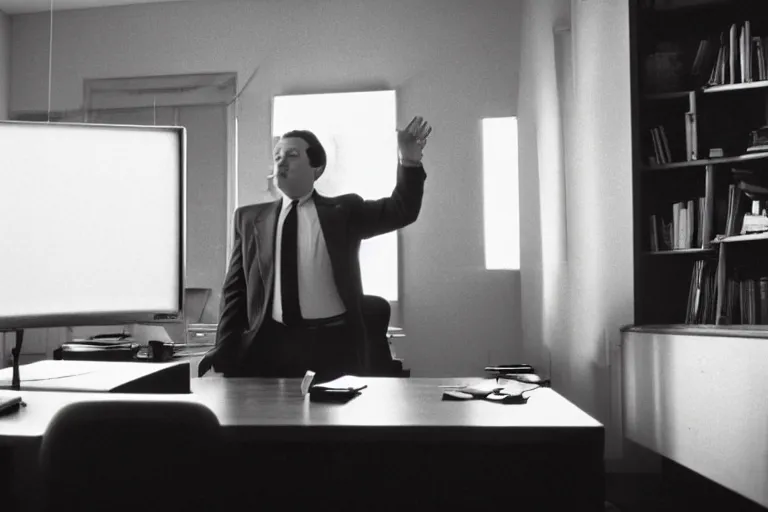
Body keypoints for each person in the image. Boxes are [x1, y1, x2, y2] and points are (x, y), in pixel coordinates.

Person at [198, 116, 432, 379]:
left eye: (292, 154)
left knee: (332, 416)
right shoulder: (249, 219)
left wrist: (409, 161)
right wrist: (223, 347)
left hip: (333, 347)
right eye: (277, 155)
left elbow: (401, 211)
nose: (281, 161)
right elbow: (235, 293)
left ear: (316, 168)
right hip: (271, 346)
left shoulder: (343, 211)